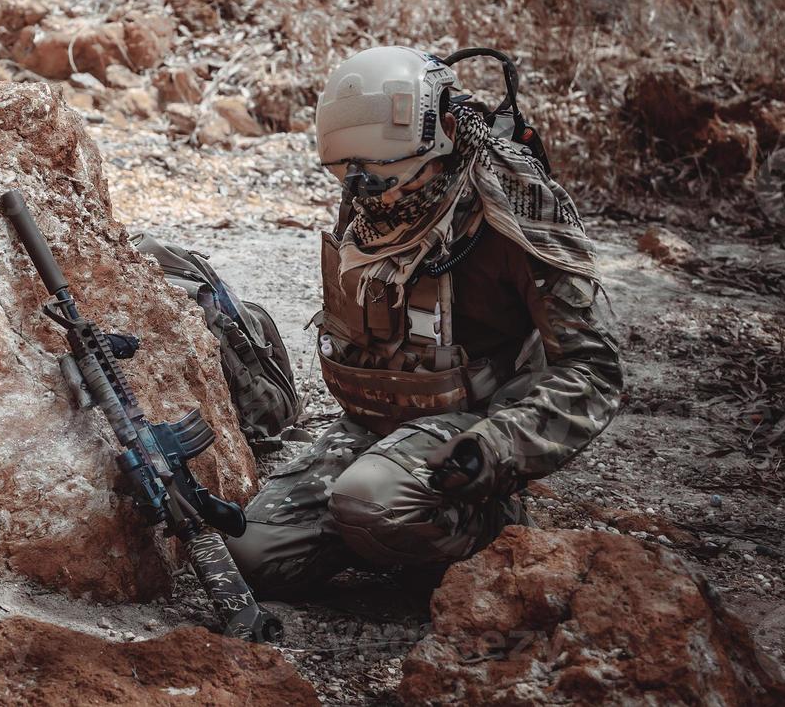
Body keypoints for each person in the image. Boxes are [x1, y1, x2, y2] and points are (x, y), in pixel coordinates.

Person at [225, 45, 623, 598]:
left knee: (369, 500)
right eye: (354, 179)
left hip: (471, 431)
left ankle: (495, 528)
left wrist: (496, 448)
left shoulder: (517, 207)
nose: (376, 198)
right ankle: (379, 521)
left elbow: (593, 369)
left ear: (443, 139)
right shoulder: (374, 190)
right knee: (251, 553)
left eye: (390, 179)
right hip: (378, 426)